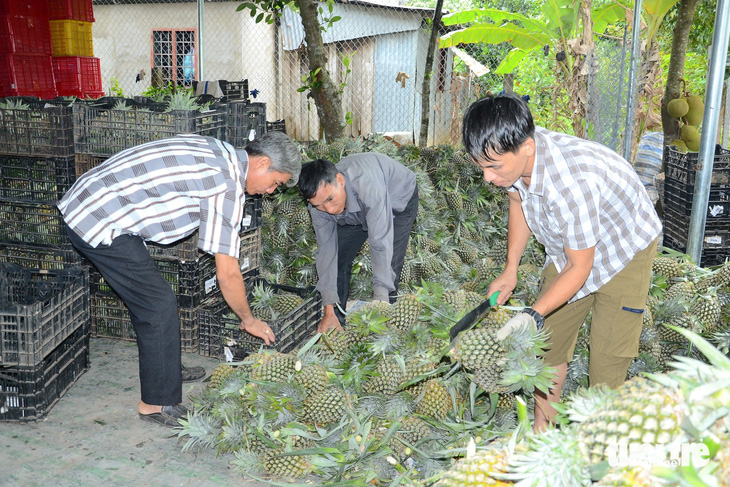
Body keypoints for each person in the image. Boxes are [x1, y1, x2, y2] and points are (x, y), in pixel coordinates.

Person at [58, 132, 301, 427]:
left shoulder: (221, 151)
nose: (271, 191)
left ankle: (165, 368)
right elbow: (228, 272)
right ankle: (156, 403)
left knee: (155, 298)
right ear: (262, 162)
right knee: (157, 304)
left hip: (95, 198)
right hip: (96, 217)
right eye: (275, 182)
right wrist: (248, 320)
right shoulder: (227, 185)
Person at [461, 94, 661, 431]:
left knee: (607, 361)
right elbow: (517, 202)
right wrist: (510, 269)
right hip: (571, 248)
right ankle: (543, 432)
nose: (487, 178)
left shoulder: (570, 183)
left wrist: (533, 313)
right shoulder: (516, 166)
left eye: (493, 166)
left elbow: (580, 269)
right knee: (547, 348)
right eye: (481, 166)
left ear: (526, 146)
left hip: (624, 248)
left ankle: (598, 453)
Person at [298, 154, 418, 333]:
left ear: (340, 180)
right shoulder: (320, 209)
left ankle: (387, 323)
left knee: (390, 261)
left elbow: (380, 241)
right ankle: (335, 322)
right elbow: (326, 252)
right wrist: (328, 307)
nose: (329, 210)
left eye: (330, 199)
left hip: (397, 197)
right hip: (353, 209)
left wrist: (380, 299)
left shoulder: (367, 186)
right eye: (320, 205)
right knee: (339, 257)